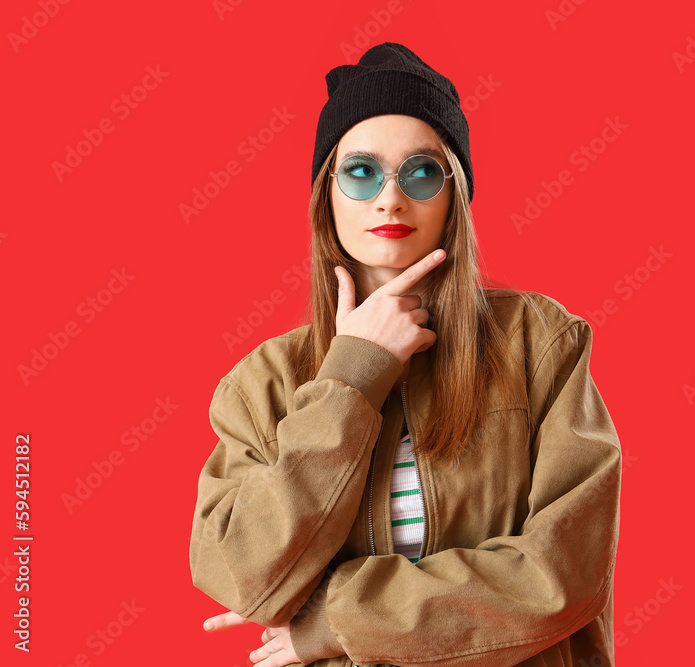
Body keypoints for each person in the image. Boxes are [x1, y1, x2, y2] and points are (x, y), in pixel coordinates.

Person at [188, 42, 622, 667]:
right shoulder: (263, 384)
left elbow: (562, 577)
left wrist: (338, 620)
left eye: (420, 172)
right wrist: (353, 374)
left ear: (455, 196)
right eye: (360, 172)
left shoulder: (541, 342)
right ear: (326, 195)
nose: (389, 199)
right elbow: (242, 576)